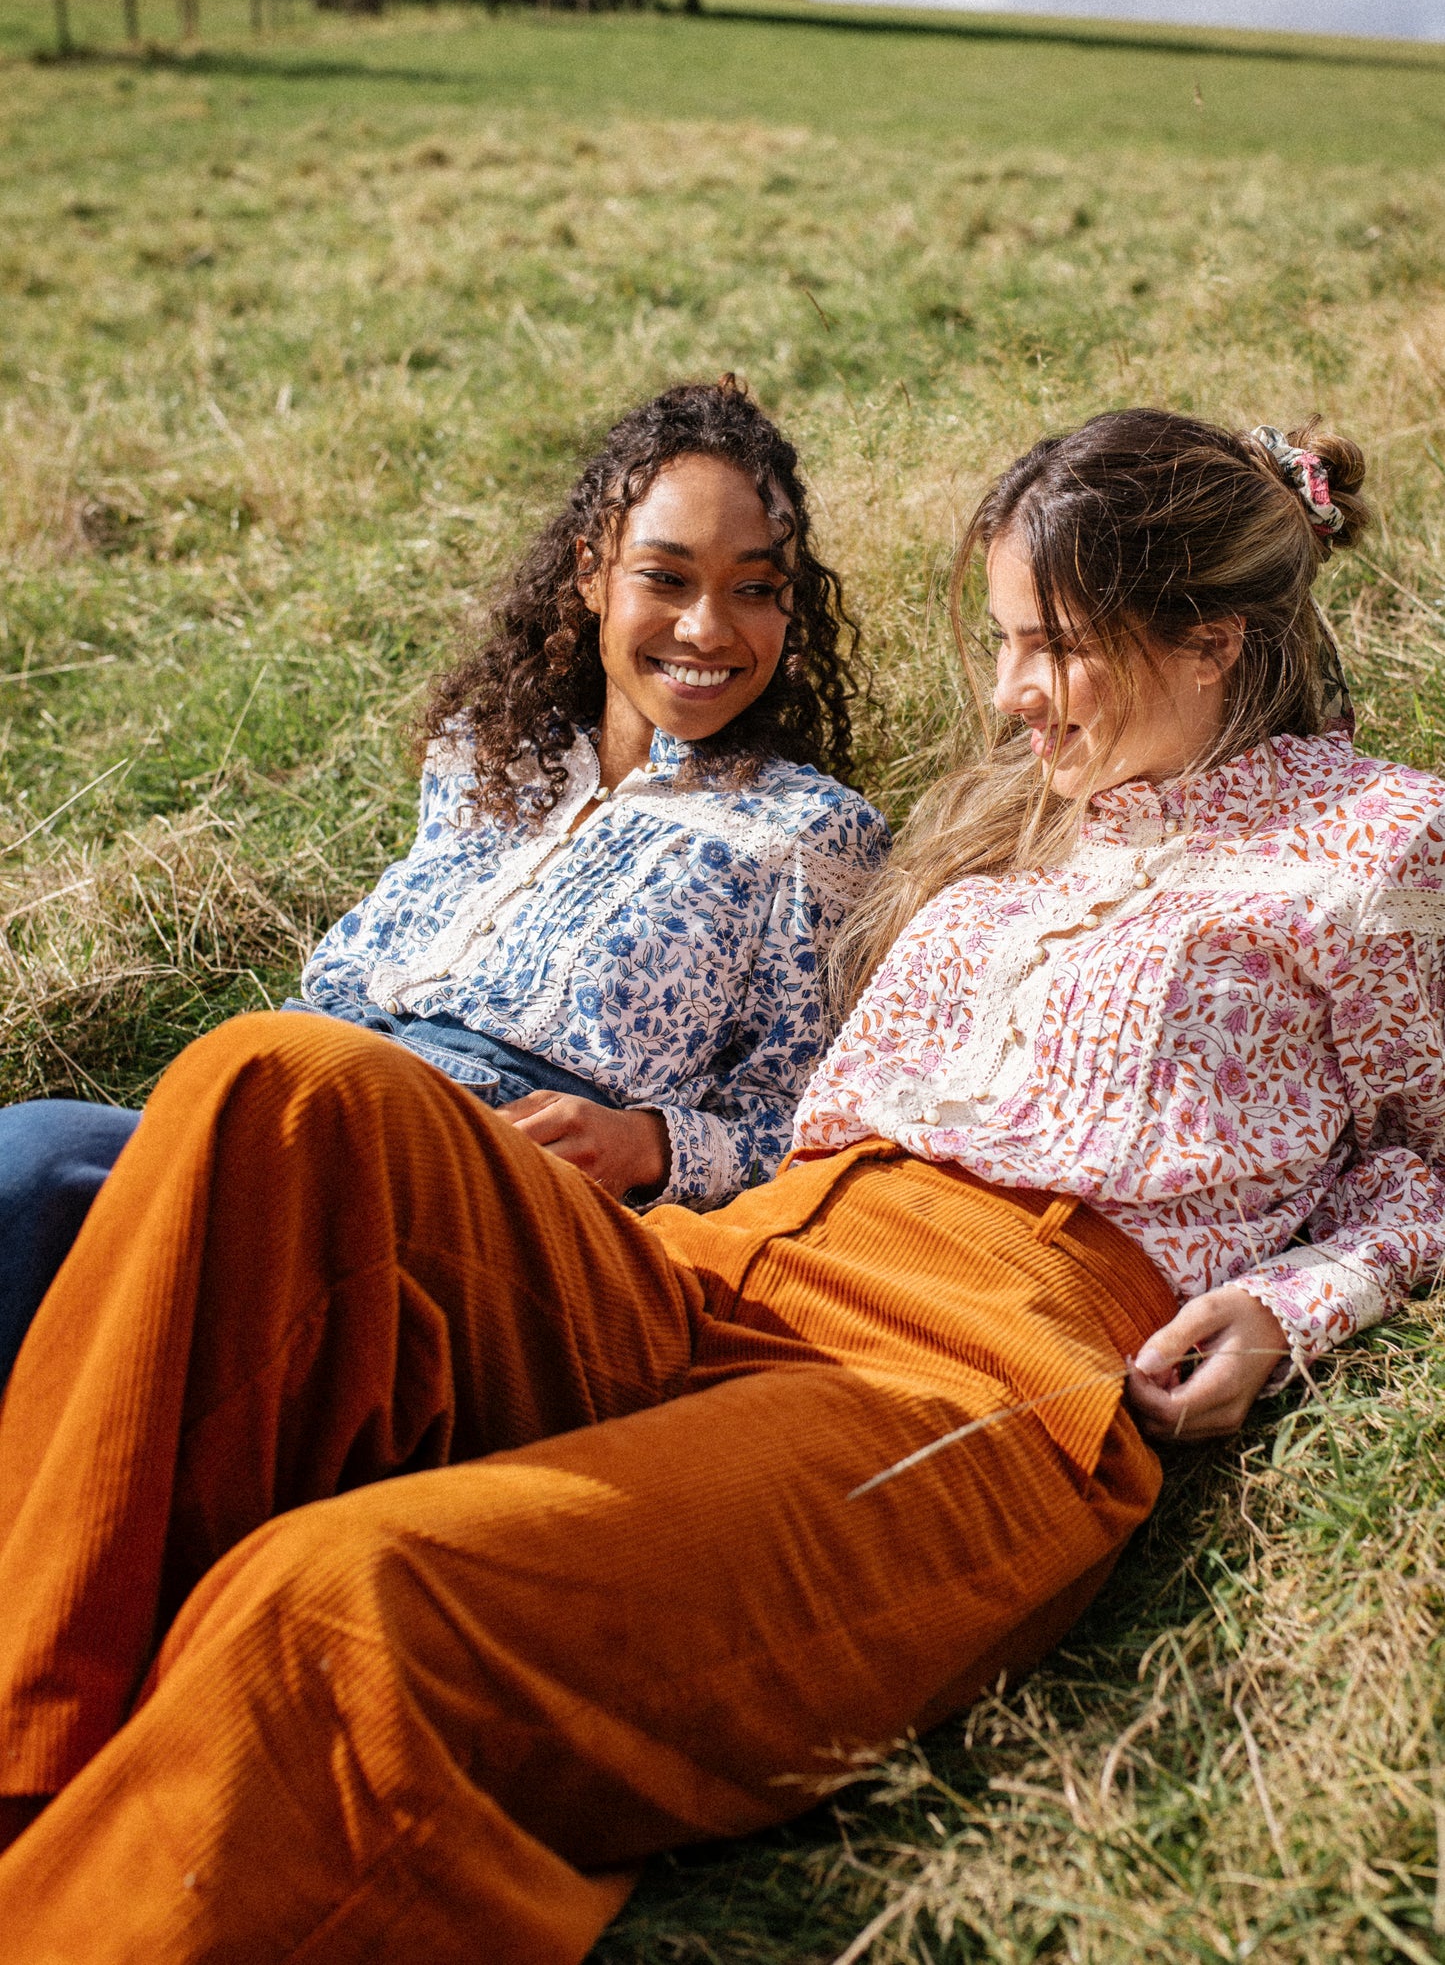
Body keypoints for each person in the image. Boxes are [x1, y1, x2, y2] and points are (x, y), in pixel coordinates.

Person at [1, 409, 1440, 1965]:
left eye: (1055, 648)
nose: (1014, 694)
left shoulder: (1379, 848)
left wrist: (1298, 1299)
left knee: (335, 1604)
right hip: (712, 1264)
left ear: (1212, 640)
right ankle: (27, 1754)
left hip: (961, 1375)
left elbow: (1431, 1155)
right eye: (1009, 643)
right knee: (271, 1079)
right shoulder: (1026, 824)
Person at [0, 376, 889, 1378]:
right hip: (309, 1093)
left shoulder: (808, 833)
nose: (707, 631)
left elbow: (808, 1130)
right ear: (594, 573)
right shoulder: (488, 756)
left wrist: (644, 1143)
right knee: (31, 1160)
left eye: (754, 589)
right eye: (667, 579)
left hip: (490, 1176)